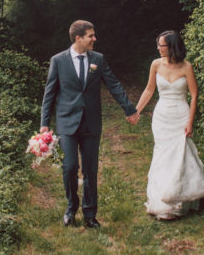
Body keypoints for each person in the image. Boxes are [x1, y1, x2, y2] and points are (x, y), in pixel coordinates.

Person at [40, 20, 140, 228]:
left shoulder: (98, 60)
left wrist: (129, 108)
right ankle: (70, 208)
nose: (95, 39)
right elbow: (50, 92)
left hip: (91, 123)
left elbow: (113, 84)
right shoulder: (58, 61)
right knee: (69, 168)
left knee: (90, 170)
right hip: (67, 122)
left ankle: (90, 214)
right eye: (91, 36)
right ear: (78, 38)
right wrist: (44, 123)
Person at [135, 30, 204, 220]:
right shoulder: (155, 64)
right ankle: (160, 196)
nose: (159, 48)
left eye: (162, 45)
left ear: (172, 47)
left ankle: (181, 197)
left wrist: (190, 121)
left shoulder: (187, 67)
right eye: (159, 45)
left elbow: (194, 95)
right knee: (162, 154)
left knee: (179, 155)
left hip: (181, 115)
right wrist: (136, 110)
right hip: (161, 117)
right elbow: (149, 89)